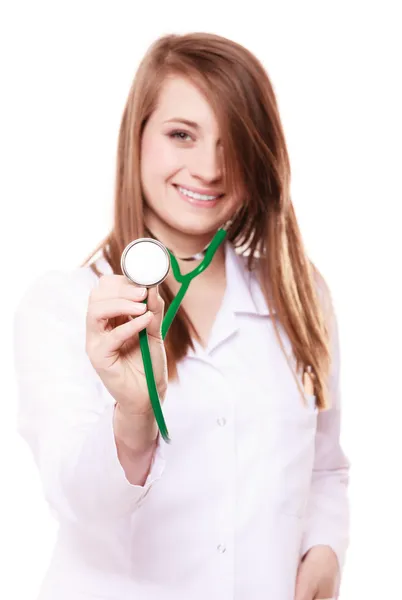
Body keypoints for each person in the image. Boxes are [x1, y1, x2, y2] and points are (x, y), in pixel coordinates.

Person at [13, 32, 349, 600]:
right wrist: (134, 414)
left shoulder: (300, 295)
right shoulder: (63, 305)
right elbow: (79, 505)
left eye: (232, 142)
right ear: (137, 138)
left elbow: (324, 469)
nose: (210, 168)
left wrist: (325, 552)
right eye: (181, 135)